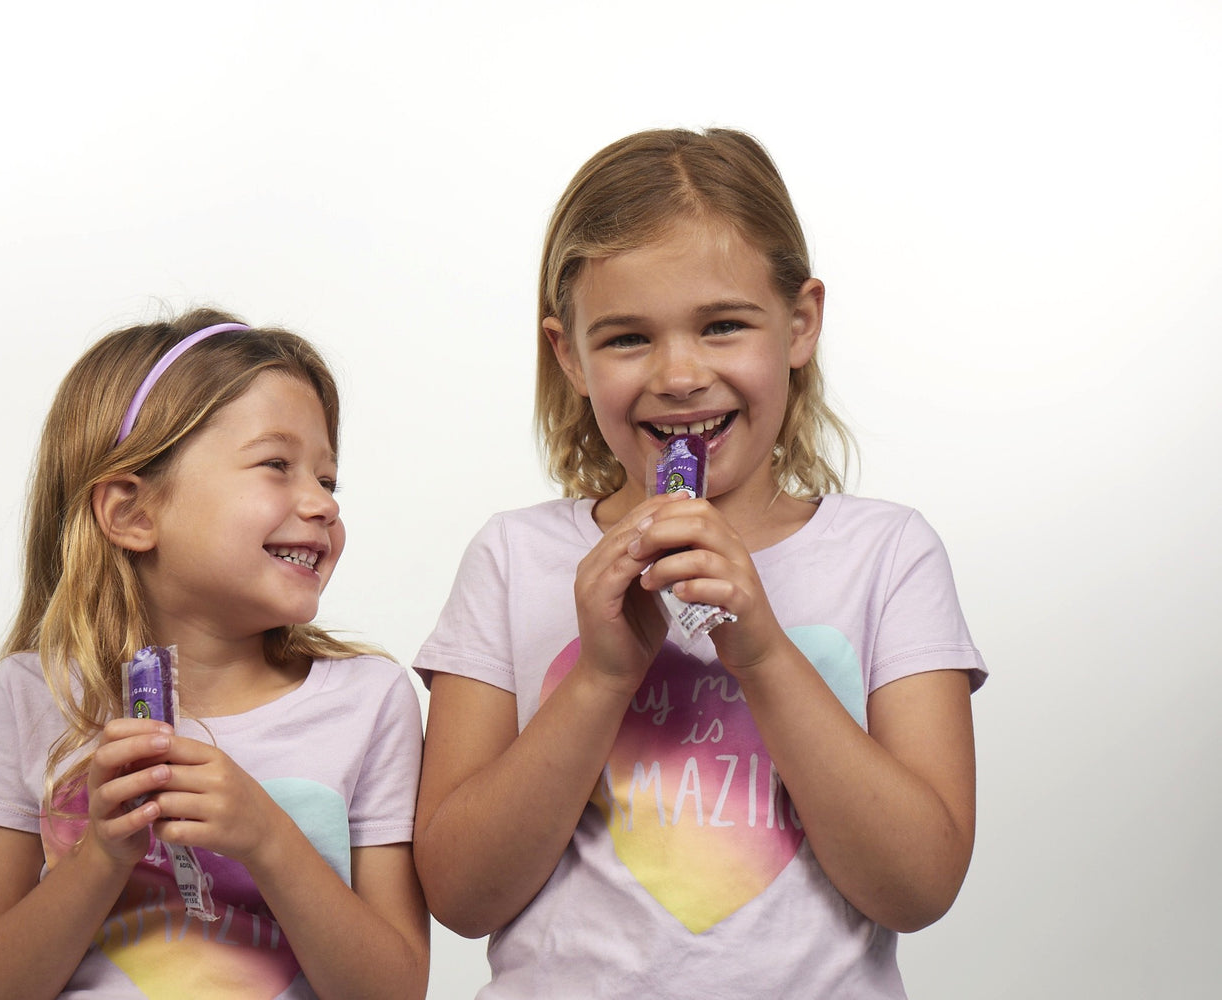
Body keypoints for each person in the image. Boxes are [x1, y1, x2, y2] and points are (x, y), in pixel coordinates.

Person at [412, 129, 985, 997]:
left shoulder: (887, 555)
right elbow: (460, 893)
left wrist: (760, 650)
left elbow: (918, 885)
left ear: (799, 325)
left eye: (722, 326)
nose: (680, 376)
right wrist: (602, 677)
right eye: (628, 338)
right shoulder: (511, 559)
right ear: (569, 354)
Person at [0, 309, 429, 1000]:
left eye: (328, 480)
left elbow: (396, 989)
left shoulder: (369, 701)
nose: (321, 504)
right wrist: (102, 855)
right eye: (276, 466)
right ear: (134, 514)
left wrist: (267, 836)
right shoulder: (33, 696)